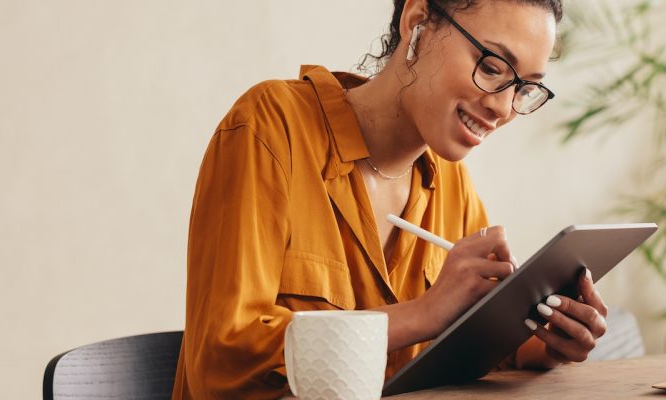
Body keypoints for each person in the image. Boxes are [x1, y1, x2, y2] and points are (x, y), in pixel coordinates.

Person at [173, 0, 609, 398]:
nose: (503, 107)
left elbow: (467, 349)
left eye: (524, 88)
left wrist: (546, 343)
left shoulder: (452, 186)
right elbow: (221, 360)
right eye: (493, 67)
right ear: (418, 23)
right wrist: (425, 313)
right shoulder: (271, 127)